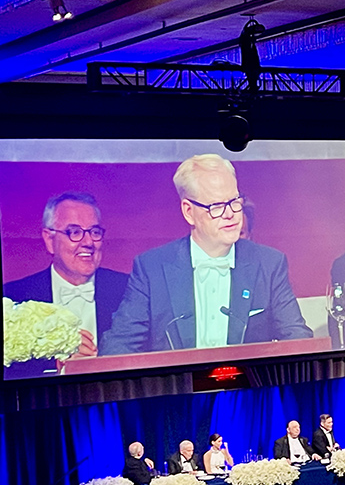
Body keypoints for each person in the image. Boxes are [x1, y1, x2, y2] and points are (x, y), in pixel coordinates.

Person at [103, 155, 311, 354]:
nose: (230, 213)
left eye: (234, 201)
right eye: (217, 206)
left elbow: (297, 337)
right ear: (188, 211)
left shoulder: (269, 264)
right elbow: (119, 346)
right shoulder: (151, 269)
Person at [2, 192, 129, 377]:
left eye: (94, 232)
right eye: (74, 232)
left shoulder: (129, 289)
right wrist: (59, 364)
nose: (88, 242)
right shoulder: (14, 297)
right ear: (49, 239)